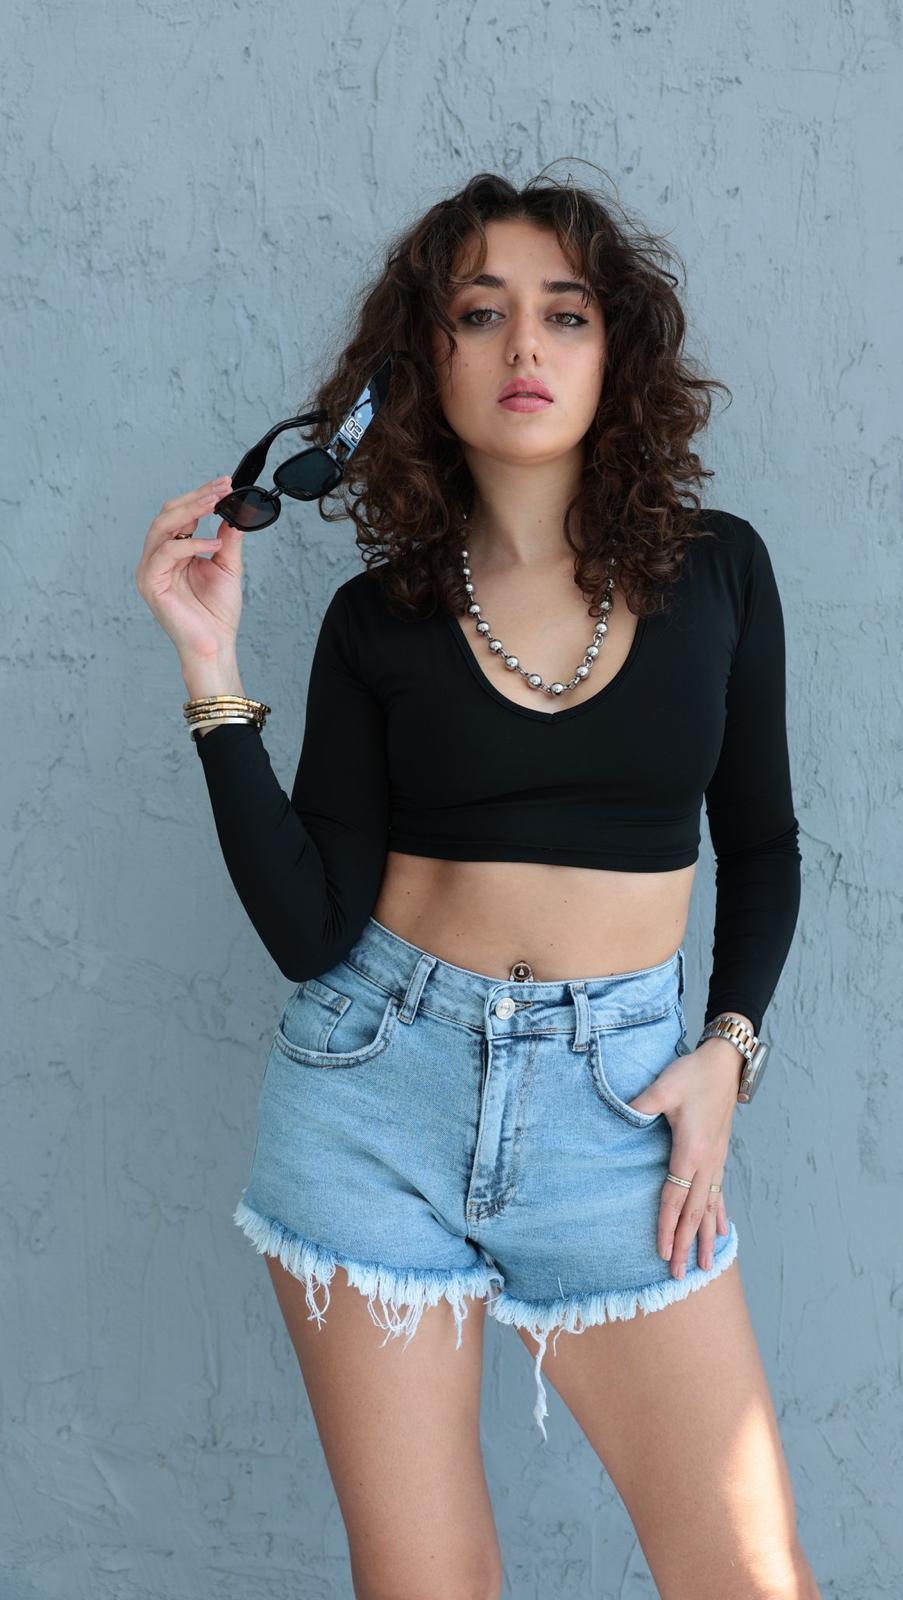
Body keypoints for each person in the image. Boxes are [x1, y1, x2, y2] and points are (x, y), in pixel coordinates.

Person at [135, 168, 821, 1600]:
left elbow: (761, 843)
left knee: (750, 1577)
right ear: (422, 363)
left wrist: (728, 1052)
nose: (524, 346)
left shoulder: (721, 575)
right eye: (479, 312)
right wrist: (210, 671)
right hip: (370, 1096)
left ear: (615, 352)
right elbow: (309, 930)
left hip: (617, 1107)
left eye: (565, 314)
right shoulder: (375, 618)